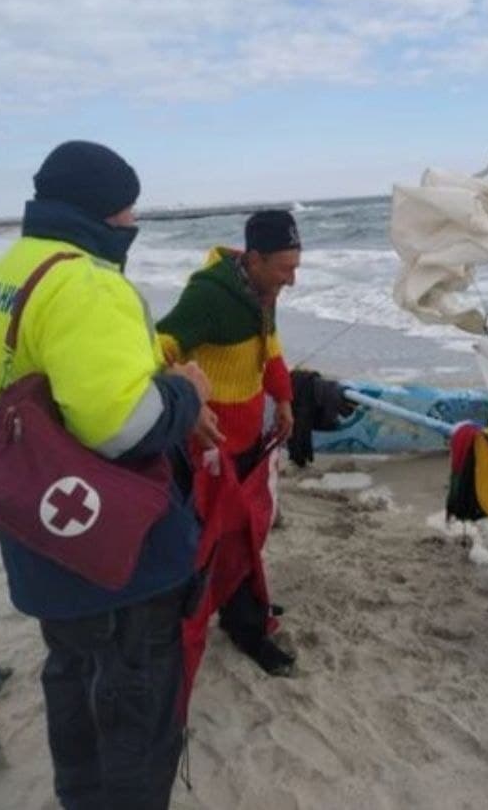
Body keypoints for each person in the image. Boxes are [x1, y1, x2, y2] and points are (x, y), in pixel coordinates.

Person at [0, 140, 219, 809]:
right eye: (128, 211)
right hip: (114, 550)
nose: (132, 224)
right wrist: (185, 395)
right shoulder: (87, 281)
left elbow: (48, 385)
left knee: (72, 682)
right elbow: (123, 428)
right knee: (136, 705)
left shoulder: (10, 267)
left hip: (37, 528)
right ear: (104, 212)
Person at [157, 209, 300, 674]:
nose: (291, 280)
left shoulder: (263, 291)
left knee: (246, 533)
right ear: (254, 259)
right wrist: (189, 405)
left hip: (247, 442)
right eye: (284, 269)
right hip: (207, 449)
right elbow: (158, 350)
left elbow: (271, 347)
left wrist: (283, 398)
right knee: (218, 542)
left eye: (295, 267)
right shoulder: (208, 297)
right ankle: (238, 627)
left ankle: (242, 615)